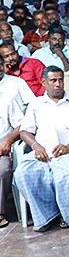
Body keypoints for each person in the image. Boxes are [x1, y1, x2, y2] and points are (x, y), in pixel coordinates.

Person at [13, 66, 69, 231]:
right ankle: (48, 214)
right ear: (44, 82)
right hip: (42, 154)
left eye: (60, 80)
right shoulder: (36, 104)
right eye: (53, 80)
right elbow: (25, 131)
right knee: (22, 174)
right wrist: (36, 146)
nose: (58, 84)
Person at [0, 91, 23, 227]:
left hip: (2, 147)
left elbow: (20, 125)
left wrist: (9, 140)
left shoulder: (7, 98)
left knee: (2, 170)